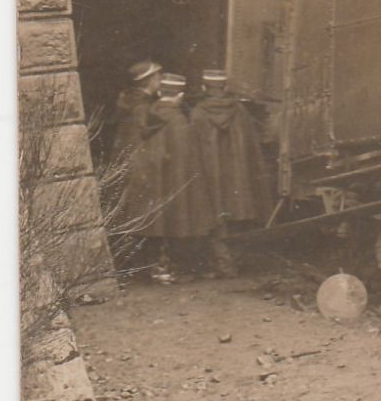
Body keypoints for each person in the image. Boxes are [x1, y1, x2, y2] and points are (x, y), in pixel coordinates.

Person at [114, 72, 217, 282]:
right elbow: (188, 161)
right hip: (177, 187)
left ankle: (154, 268)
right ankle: (176, 267)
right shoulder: (179, 121)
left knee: (154, 226)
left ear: (160, 92)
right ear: (180, 95)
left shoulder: (145, 114)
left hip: (153, 184)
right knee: (180, 223)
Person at [189, 69, 273, 276]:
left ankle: (224, 265)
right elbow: (251, 147)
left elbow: (193, 149)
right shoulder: (240, 112)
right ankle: (235, 262)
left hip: (211, 176)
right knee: (238, 215)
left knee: (216, 218)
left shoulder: (198, 113)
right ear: (225, 87)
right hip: (238, 178)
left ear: (203, 88)